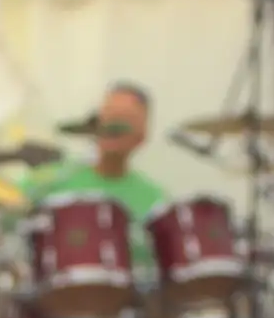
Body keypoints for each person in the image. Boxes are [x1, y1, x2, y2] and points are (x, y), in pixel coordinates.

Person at [19, 82, 168, 285]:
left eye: (126, 119)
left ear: (142, 136)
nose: (114, 124)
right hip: (47, 301)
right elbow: (1, 212)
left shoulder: (158, 203)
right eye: (109, 114)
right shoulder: (51, 180)